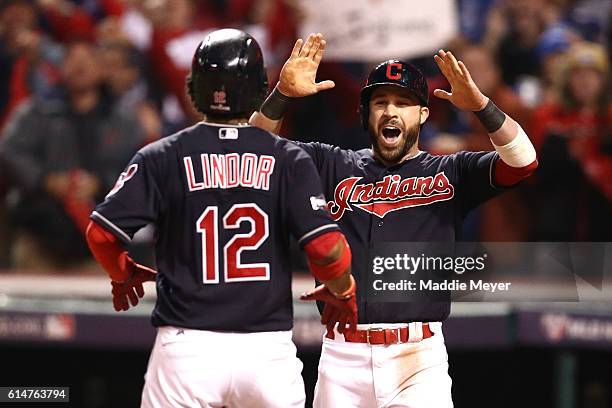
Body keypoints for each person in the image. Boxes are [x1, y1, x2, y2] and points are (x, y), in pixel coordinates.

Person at [250, 33, 539, 407]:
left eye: (403, 103)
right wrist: (282, 95)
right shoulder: (330, 164)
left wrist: (481, 105)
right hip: (341, 357)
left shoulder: (451, 171)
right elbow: (250, 153)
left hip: (418, 358)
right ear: (365, 114)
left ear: (422, 114)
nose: (390, 111)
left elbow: (524, 160)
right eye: (380, 102)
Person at [85, 28, 357, 408]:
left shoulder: (161, 155)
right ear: (258, 87)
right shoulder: (287, 157)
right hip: (267, 352)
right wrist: (342, 288)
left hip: (186, 349)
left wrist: (122, 272)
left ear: (195, 86)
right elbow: (327, 249)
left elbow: (101, 235)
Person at [0, 39, 144, 269]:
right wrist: (44, 180)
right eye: (72, 60)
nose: (80, 67)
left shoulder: (124, 120)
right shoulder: (36, 111)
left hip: (101, 243)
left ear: (102, 69)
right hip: (40, 237)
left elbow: (135, 165)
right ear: (61, 67)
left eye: (87, 60)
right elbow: (9, 150)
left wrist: (99, 182)